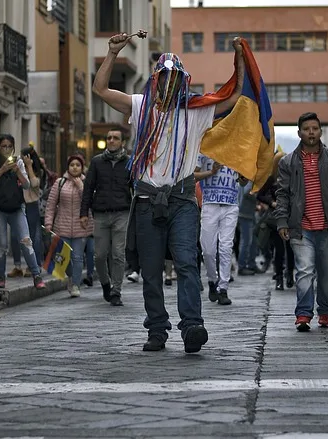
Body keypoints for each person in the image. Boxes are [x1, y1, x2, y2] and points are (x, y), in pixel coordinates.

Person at [92, 31, 244, 353]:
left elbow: (233, 96)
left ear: (183, 80)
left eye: (176, 77)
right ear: (157, 79)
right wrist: (112, 53)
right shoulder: (140, 106)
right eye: (165, 77)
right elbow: (100, 89)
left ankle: (192, 326)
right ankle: (157, 330)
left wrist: (240, 57)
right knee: (151, 271)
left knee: (188, 263)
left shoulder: (197, 110)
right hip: (147, 201)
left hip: (183, 201)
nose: (170, 82)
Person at [275, 112, 328, 331]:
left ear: (320, 131)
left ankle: (325, 310)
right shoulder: (288, 162)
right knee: (304, 271)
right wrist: (282, 221)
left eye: (315, 129)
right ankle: (303, 314)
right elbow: (282, 194)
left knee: (327, 276)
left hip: (327, 227)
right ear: (299, 132)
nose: (311, 132)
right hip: (301, 229)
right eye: (307, 129)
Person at [0, 134, 45, 290]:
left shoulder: (19, 162)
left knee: (26, 240)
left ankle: (37, 276)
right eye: (4, 146)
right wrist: (2, 170)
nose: (7, 150)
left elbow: (27, 185)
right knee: (2, 244)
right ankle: (1, 277)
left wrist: (18, 171)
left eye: (10, 146)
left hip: (17, 208)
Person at [80, 128, 131, 307]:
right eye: (108, 138)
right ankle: (105, 283)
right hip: (100, 214)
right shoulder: (97, 162)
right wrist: (83, 213)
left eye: (115, 138)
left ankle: (116, 291)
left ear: (122, 142)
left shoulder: (129, 162)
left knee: (118, 254)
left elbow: (136, 187)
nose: (111, 140)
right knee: (100, 256)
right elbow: (88, 188)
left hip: (122, 213)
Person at [45, 155, 93, 298]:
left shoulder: (87, 183)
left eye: (78, 165)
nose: (74, 167)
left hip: (81, 227)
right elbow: (51, 205)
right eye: (72, 164)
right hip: (62, 226)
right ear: (68, 167)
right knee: (62, 259)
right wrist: (48, 223)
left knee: (78, 258)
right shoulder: (60, 183)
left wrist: (81, 187)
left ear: (82, 167)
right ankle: (71, 277)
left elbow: (90, 202)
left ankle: (76, 285)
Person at [194, 156, 240, 305]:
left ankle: (223, 288)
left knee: (226, 248)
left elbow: (244, 180)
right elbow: (192, 175)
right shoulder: (205, 148)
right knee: (208, 250)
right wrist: (211, 172)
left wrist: (245, 176)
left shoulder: (239, 149)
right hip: (210, 204)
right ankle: (213, 280)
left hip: (231, 204)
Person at [257, 152, 295, 291]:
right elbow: (260, 195)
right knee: (278, 250)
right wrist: (272, 203)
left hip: (291, 217)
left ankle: (289, 274)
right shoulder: (272, 178)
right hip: (276, 218)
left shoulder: (294, 177)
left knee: (291, 248)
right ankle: (279, 276)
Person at [9, 146, 43, 278]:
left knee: (32, 237)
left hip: (31, 205)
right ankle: (17, 266)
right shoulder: (18, 168)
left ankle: (33, 266)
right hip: (18, 204)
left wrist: (29, 166)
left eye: (24, 157)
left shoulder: (37, 171)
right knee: (14, 236)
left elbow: (34, 183)